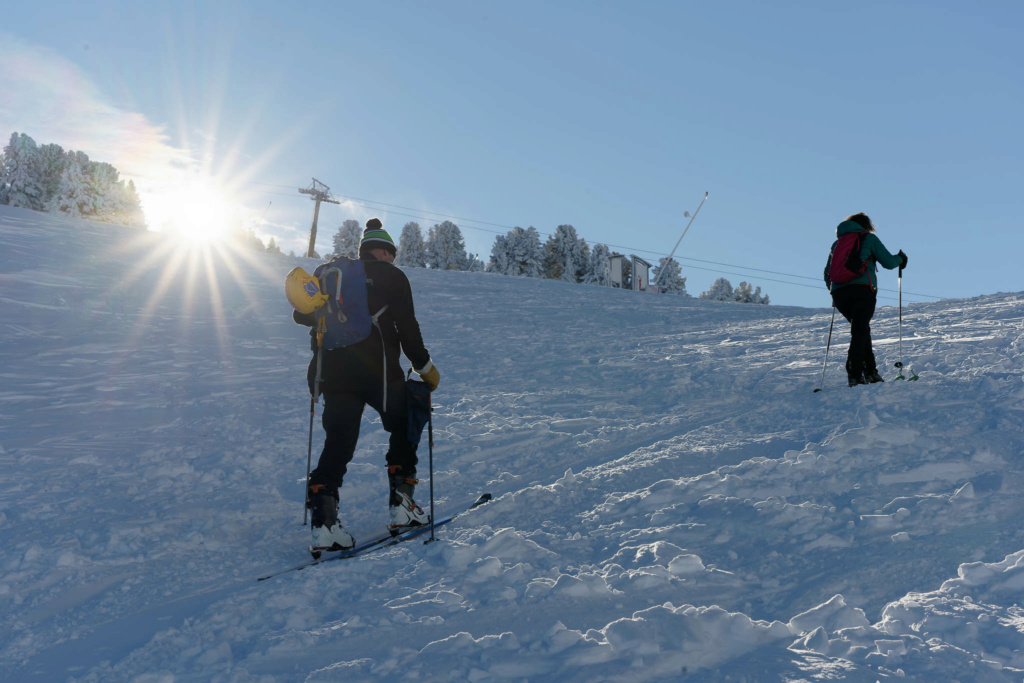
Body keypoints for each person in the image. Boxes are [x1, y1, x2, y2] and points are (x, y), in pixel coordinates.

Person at [292, 218, 441, 550]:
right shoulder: (392, 276)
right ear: (385, 252)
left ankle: (324, 523)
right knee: (405, 420)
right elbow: (408, 327)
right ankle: (402, 505)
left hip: (332, 370)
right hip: (377, 369)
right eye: (391, 254)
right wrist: (425, 367)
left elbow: (303, 316)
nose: (391, 259)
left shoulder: (333, 276)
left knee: (339, 440)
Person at [825, 212, 907, 387]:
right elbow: (889, 262)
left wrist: (834, 290)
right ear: (866, 225)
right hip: (862, 290)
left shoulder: (837, 243)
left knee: (861, 329)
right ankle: (854, 372)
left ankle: (870, 371)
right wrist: (901, 258)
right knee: (860, 331)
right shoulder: (868, 239)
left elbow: (827, 273)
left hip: (840, 294)